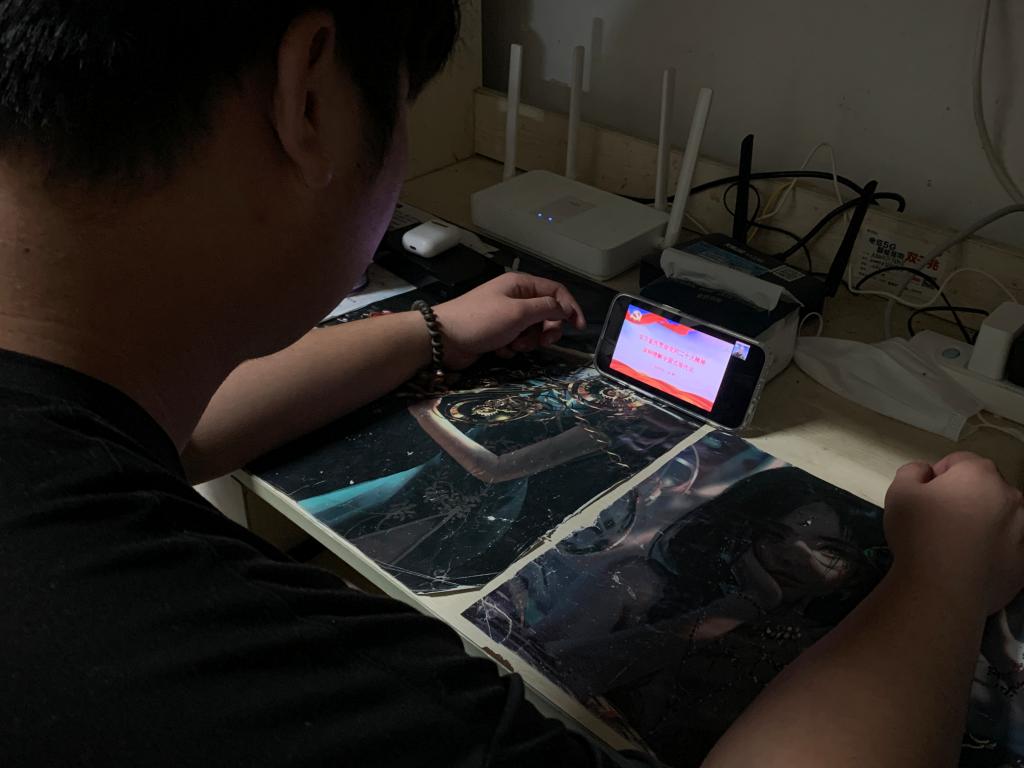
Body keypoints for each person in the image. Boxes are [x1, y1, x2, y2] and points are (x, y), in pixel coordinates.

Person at [0, 3, 1022, 767]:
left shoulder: (57, 431)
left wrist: (432, 331)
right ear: (309, 97)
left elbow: (166, 432)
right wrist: (940, 585)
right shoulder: (270, 684)